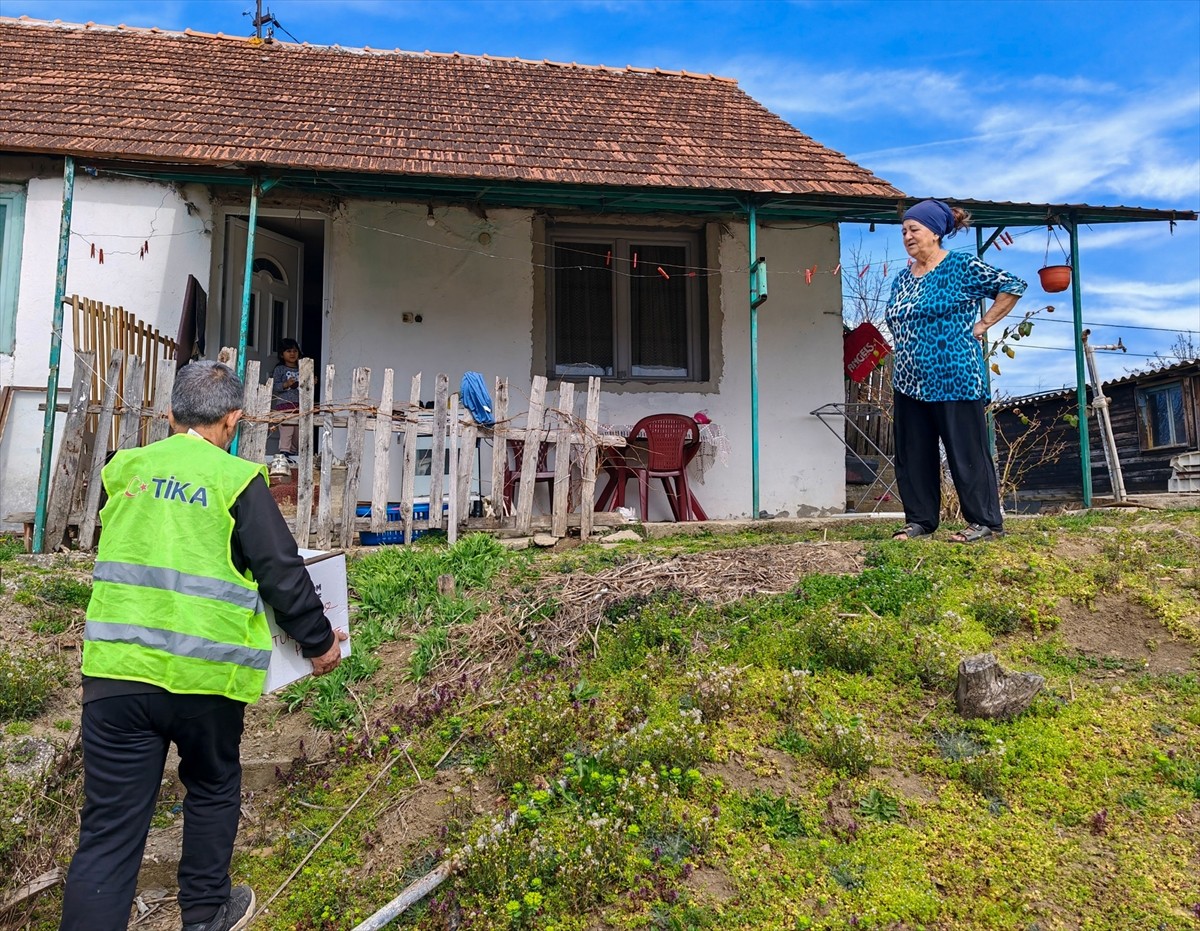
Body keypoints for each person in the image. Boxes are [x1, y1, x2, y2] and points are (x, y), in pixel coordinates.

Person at [61, 361, 347, 931]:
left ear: (169, 417)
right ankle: (206, 914)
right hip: (206, 683)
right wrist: (318, 643)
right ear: (234, 421)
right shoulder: (236, 479)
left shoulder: (126, 470)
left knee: (110, 830)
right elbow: (282, 572)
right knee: (212, 788)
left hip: (117, 675)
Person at [885, 199, 1026, 543]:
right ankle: (920, 522)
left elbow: (1013, 285)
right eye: (904, 231)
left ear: (934, 232)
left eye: (914, 229)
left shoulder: (960, 265)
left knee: (966, 452)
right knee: (913, 454)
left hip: (954, 376)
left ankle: (986, 523)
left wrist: (983, 324)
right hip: (909, 379)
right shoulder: (902, 278)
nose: (907, 236)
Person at [269, 338, 303, 461]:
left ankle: (293, 455)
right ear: (281, 354)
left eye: (295, 351)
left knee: (298, 433)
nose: (292, 354)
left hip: (300, 407)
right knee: (287, 431)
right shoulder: (280, 369)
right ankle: (284, 454)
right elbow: (275, 386)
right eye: (289, 351)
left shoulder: (303, 368)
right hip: (285, 406)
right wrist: (286, 384)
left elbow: (306, 387)